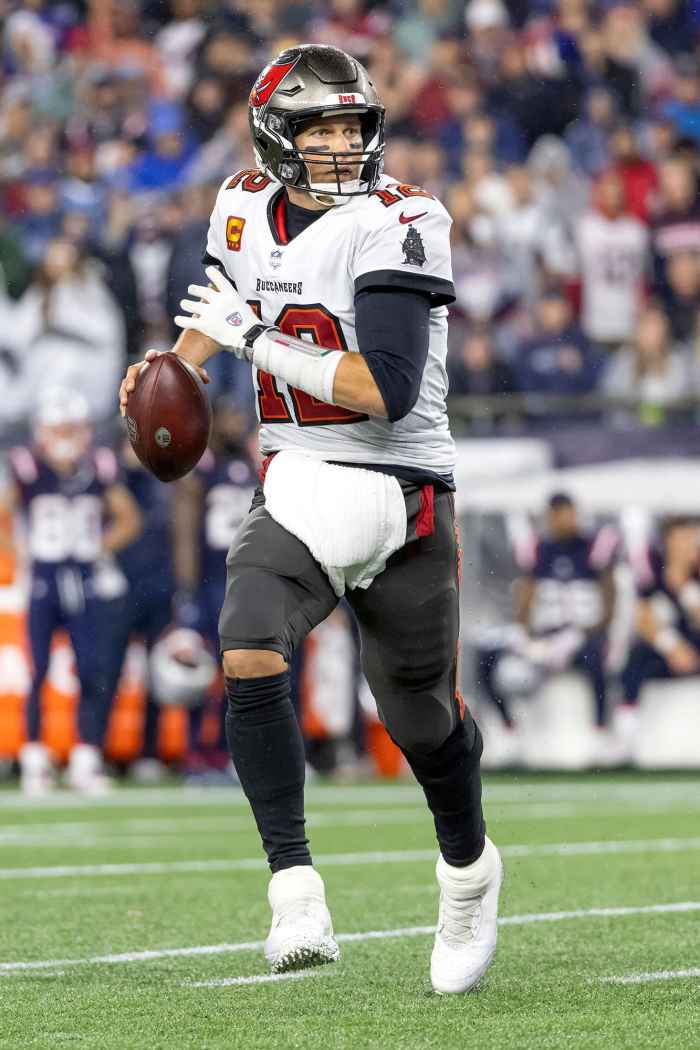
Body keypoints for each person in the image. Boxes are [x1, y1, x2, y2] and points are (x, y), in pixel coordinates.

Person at [120, 44, 502, 995]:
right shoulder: (243, 202)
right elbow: (224, 300)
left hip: (403, 487)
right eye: (320, 130)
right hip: (301, 476)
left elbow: (385, 388)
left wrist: (256, 342)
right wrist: (180, 366)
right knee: (247, 643)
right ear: (275, 137)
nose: (340, 146)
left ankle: (468, 872)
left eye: (351, 128)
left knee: (418, 719)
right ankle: (295, 890)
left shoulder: (403, 222)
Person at [0, 390, 141, 796]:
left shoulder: (97, 465)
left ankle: (85, 758)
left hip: (82, 577)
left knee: (92, 669)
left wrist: (99, 547)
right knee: (38, 670)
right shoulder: (26, 467)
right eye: (57, 428)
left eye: (70, 428)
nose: (64, 436)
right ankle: (34, 758)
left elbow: (129, 517)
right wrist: (21, 551)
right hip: (44, 576)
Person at [479, 493, 618, 729]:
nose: (564, 520)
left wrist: (579, 635)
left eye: (568, 514)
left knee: (595, 657)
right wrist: (525, 634)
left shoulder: (593, 549)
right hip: (545, 637)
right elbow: (526, 597)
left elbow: (608, 604)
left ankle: (601, 729)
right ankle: (508, 727)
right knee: (486, 657)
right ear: (549, 517)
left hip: (581, 637)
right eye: (557, 515)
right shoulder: (540, 550)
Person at [173, 402, 257, 776]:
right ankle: (195, 750)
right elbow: (187, 533)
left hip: (247, 582)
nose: (237, 424)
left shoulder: (257, 465)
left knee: (240, 672)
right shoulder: (203, 468)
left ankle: (228, 749)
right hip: (211, 583)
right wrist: (187, 589)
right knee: (201, 669)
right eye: (231, 416)